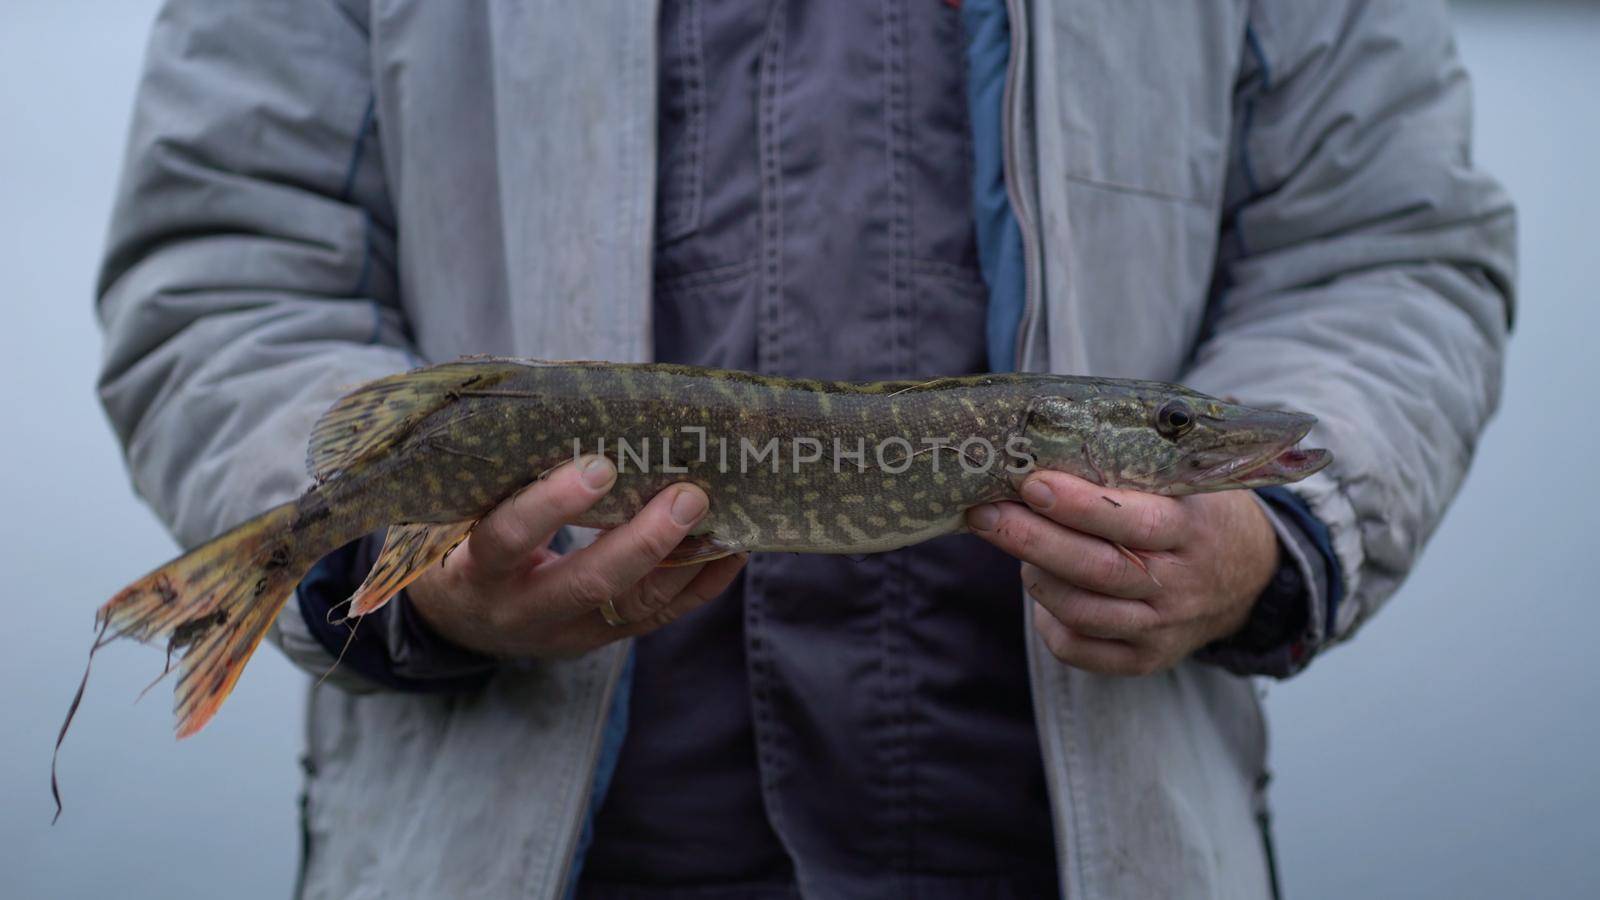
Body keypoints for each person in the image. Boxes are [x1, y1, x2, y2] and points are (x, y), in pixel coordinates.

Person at [95, 1, 1513, 898]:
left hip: (1066, 854)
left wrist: (1277, 541)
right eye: (1170, 433)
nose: (1200, 444)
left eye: (1172, 430)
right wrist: (395, 573)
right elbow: (230, 274)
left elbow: (1386, 250)